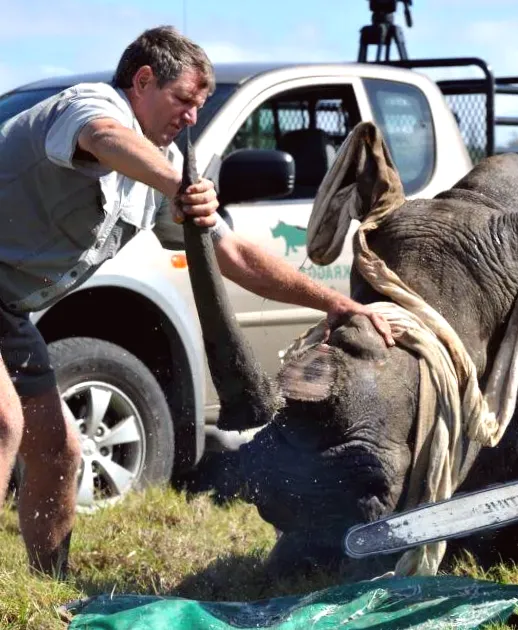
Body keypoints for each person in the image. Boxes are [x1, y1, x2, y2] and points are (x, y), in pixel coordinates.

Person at [0, 25, 393, 577]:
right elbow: (103, 137)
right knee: (3, 421)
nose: (191, 117)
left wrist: (334, 302)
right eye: (183, 100)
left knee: (61, 450)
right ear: (142, 81)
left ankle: (47, 583)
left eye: (199, 107)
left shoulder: (158, 176)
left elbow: (231, 253)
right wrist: (176, 184)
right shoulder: (91, 106)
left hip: (8, 311)